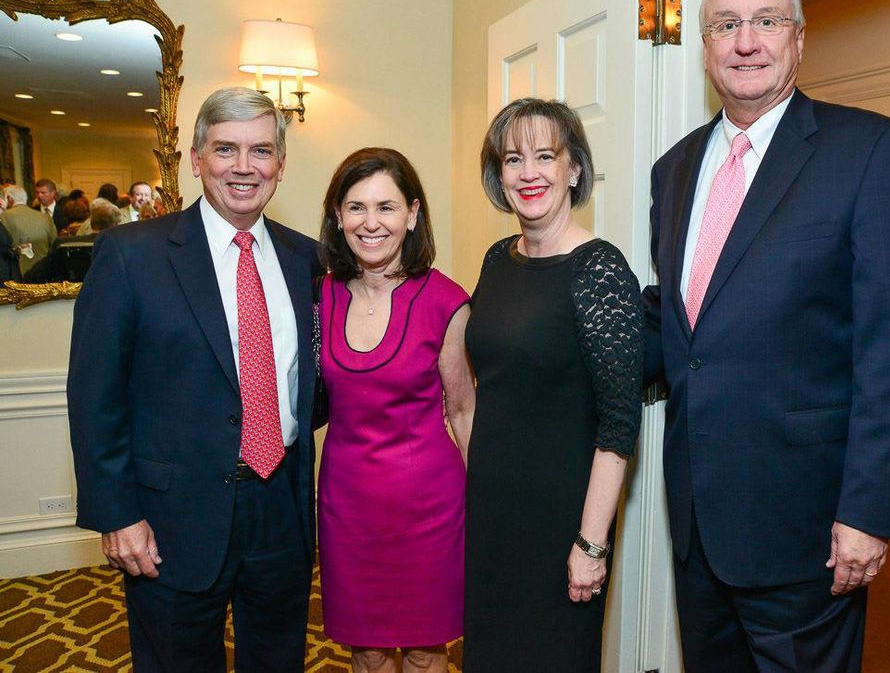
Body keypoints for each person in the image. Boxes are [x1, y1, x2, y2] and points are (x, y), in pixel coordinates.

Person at [641, 0, 890, 672]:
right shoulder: (674, 168)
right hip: (697, 527)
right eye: (726, 24)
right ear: (705, 45)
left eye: (767, 21)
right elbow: (682, 325)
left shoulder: (871, 150)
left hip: (806, 533)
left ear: (799, 37)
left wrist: (868, 511)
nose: (747, 41)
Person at [67, 87, 321, 672]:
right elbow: (94, 397)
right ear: (195, 158)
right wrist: (117, 513)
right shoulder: (131, 256)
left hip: (280, 504)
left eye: (261, 151)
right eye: (225, 148)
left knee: (280, 659)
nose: (243, 166)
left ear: (280, 165)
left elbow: (310, 382)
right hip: (170, 516)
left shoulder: (306, 259)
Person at [464, 98, 643, 671]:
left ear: (573, 169)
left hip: (562, 522)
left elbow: (619, 426)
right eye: (514, 159)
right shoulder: (497, 259)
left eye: (546, 156)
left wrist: (591, 544)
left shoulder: (600, 271)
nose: (529, 172)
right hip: (493, 515)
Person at [316, 147, 473, 673]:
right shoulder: (322, 295)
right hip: (347, 508)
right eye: (356, 207)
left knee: (427, 652)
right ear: (337, 218)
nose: (371, 222)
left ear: (413, 213)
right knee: (367, 651)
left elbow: (464, 413)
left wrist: (490, 508)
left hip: (429, 509)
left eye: (386, 207)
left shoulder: (447, 302)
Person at [0, 185, 56, 276]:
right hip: (45, 272)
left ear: (9, 199)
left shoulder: (4, 217)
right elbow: (54, 244)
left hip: (17, 274)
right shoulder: (45, 217)